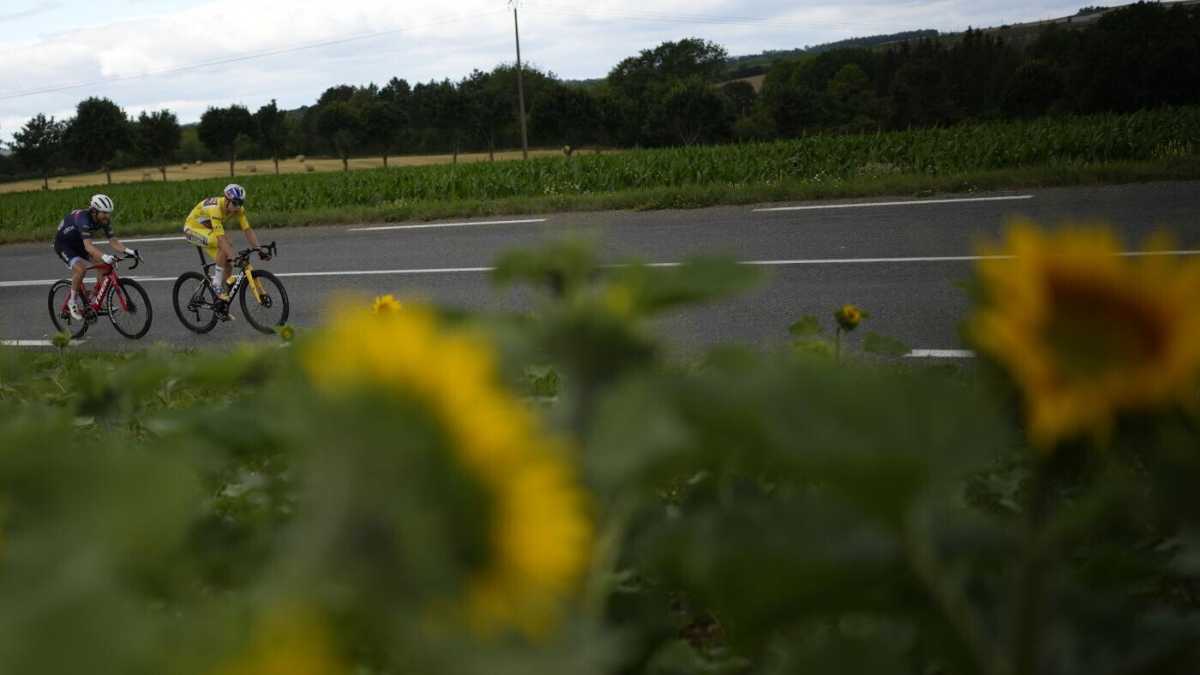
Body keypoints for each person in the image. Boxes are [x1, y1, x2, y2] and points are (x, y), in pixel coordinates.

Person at [182, 184, 270, 317]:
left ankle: (221, 303)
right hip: (193, 230)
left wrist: (258, 249)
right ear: (227, 199)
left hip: (207, 230)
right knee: (225, 244)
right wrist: (234, 257)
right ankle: (216, 284)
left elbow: (247, 230)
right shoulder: (216, 209)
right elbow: (221, 239)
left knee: (227, 258)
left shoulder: (238, 209)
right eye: (235, 203)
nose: (237, 207)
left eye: (240, 203)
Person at [52, 194, 138, 321]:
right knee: (81, 269)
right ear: (94, 211)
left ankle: (96, 300)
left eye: (109, 213)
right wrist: (105, 256)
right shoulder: (83, 220)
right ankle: (72, 302)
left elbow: (113, 241)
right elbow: (89, 247)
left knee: (103, 267)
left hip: (79, 243)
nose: (107, 216)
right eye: (104, 213)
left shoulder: (103, 220)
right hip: (64, 244)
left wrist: (129, 251)